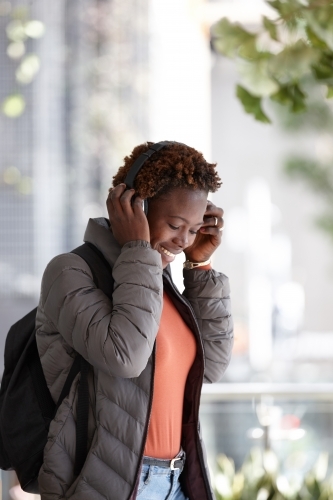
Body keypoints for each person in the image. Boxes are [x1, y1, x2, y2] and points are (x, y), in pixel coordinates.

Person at [35, 141, 233, 500]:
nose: (183, 241)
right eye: (175, 224)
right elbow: (124, 356)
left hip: (178, 480)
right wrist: (138, 250)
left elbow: (213, 367)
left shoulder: (157, 283)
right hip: (109, 485)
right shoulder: (71, 272)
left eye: (193, 229)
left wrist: (200, 268)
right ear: (135, 207)